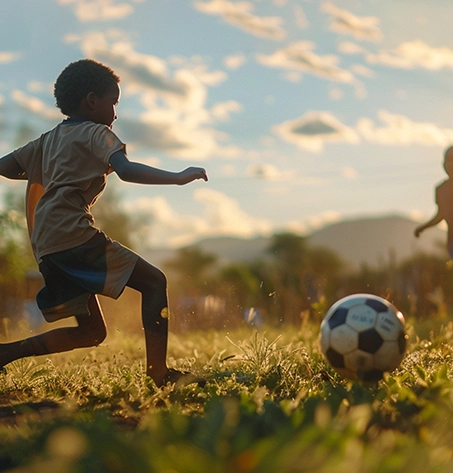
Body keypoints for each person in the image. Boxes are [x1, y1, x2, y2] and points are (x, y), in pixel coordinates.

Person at [0, 59, 208, 388]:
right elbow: (126, 170)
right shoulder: (98, 134)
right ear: (93, 100)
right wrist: (179, 178)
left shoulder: (48, 141)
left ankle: (3, 354)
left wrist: (50, 169)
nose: (115, 113)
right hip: (74, 236)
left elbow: (8, 167)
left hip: (47, 246)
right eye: (114, 103)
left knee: (92, 332)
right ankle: (159, 373)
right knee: (154, 283)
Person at [414, 146, 453, 258]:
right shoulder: (441, 189)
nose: (450, 164)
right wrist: (423, 227)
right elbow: (441, 215)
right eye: (448, 160)